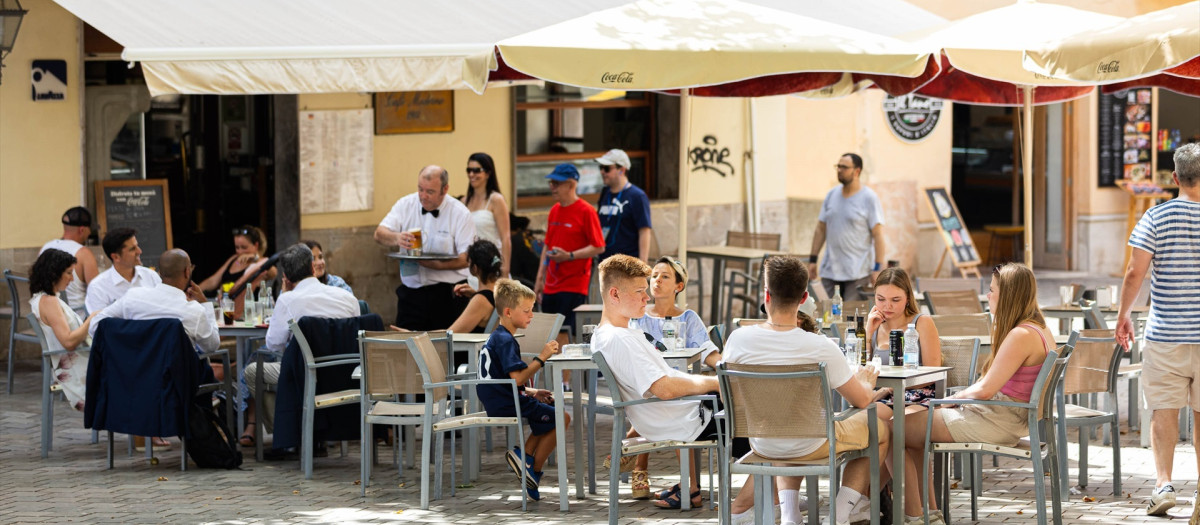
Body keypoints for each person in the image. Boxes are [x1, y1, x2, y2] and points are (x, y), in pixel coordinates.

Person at [723, 255, 890, 525]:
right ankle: (840, 514)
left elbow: (727, 396)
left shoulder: (738, 339)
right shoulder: (820, 346)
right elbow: (860, 401)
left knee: (789, 421)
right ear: (803, 299)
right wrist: (867, 384)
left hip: (763, 442)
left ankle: (791, 515)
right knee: (881, 430)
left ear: (766, 294)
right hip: (813, 443)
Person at [898, 263, 1054, 524]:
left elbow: (985, 389)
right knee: (910, 431)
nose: (988, 296)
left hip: (996, 420)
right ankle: (929, 514)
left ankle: (915, 515)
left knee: (895, 428)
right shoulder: (1039, 328)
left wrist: (945, 402)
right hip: (1005, 417)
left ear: (1009, 295)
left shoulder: (1020, 334)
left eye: (992, 291)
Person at [592, 254, 722, 510]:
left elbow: (669, 379)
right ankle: (767, 501)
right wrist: (716, 385)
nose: (647, 296)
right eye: (641, 290)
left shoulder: (610, 333)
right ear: (615, 294)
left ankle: (697, 490)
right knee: (770, 422)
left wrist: (713, 382)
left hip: (685, 412)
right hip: (690, 417)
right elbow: (664, 388)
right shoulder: (622, 339)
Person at [1117, 142, 1200, 519]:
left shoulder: (1156, 217)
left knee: (1163, 410)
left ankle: (1164, 484)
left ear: (1175, 178)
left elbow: (1136, 272)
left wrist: (1123, 314)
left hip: (1166, 332)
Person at [244, 244, 359, 448]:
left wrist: (284, 295)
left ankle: (292, 433)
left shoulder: (288, 300)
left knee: (253, 371)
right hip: (346, 374)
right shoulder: (347, 298)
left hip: (307, 375)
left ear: (286, 276)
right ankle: (315, 433)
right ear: (313, 268)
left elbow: (273, 344)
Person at [477, 279, 566, 501]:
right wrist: (542, 356)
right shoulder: (506, 340)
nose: (531, 315)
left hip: (501, 398)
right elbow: (517, 379)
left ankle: (524, 458)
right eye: (526, 310)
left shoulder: (500, 336)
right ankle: (532, 468)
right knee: (562, 418)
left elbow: (507, 380)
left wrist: (532, 392)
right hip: (506, 402)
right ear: (508, 311)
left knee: (549, 408)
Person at [374, 165, 475, 331]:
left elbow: (467, 258)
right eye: (420, 189)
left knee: (447, 350)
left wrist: (439, 266)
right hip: (411, 293)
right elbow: (379, 233)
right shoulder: (406, 204)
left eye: (430, 192)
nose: (423, 196)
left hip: (448, 294)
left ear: (445, 189)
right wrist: (397, 238)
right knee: (407, 347)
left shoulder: (460, 213)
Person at [87, 249, 219, 355]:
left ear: (160, 273)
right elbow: (211, 346)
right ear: (187, 271)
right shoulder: (194, 312)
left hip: (133, 379)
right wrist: (205, 304)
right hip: (175, 383)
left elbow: (95, 325)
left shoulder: (133, 297)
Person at [535, 163, 605, 364]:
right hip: (551, 282)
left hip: (574, 283)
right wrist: (540, 279)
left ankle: (564, 381)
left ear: (571, 184)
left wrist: (571, 255)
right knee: (549, 333)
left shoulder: (586, 211)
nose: (552, 187)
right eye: (551, 182)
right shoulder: (554, 211)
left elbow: (599, 246)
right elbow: (547, 246)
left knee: (564, 331)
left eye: (556, 183)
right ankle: (556, 378)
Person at [808, 153, 886, 301]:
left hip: (857, 273)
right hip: (830, 271)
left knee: (851, 318)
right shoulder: (831, 195)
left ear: (857, 171)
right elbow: (821, 228)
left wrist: (877, 268)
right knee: (827, 317)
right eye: (838, 166)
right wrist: (813, 259)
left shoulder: (869, 198)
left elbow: (878, 235)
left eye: (844, 167)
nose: (839, 170)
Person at [29, 249, 98, 411]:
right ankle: (147, 434)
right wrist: (91, 319)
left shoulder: (42, 298)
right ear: (53, 273)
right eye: (68, 273)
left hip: (81, 362)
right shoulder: (49, 302)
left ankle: (146, 434)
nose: (72, 278)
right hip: (81, 369)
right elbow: (68, 342)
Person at [865, 267, 942, 404]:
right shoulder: (874, 326)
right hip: (880, 398)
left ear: (907, 299)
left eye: (895, 300)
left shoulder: (922, 323)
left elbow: (933, 374)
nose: (887, 306)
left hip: (916, 396)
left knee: (867, 416)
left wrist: (888, 389)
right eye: (881, 299)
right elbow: (862, 372)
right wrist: (868, 334)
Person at [394, 240, 503, 335]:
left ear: (474, 268)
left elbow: (450, 334)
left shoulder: (481, 300)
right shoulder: (500, 293)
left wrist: (412, 334)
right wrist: (475, 294)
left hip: (470, 355)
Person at [85, 228, 162, 315]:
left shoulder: (151, 276)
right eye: (132, 249)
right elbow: (100, 323)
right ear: (116, 257)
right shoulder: (98, 287)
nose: (139, 251)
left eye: (137, 246)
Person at [40, 206, 99, 316]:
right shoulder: (83, 253)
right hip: (77, 317)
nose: (89, 233)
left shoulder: (45, 248)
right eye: (89, 229)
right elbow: (97, 291)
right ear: (82, 230)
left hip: (48, 316)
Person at [460, 152, 512, 277]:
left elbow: (505, 237)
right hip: (470, 269)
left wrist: (504, 270)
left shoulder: (496, 200)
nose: (472, 174)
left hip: (492, 267)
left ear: (488, 173)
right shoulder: (463, 201)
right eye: (469, 170)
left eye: (477, 170)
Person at [595, 149, 652, 261]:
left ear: (622, 170)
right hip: (605, 263)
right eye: (600, 168)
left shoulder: (637, 196)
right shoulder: (605, 192)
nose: (602, 172)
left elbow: (644, 231)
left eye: (606, 168)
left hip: (627, 265)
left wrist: (642, 265)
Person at [197, 225, 276, 295]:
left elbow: (273, 272)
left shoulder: (260, 261)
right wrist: (194, 290)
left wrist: (255, 258)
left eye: (244, 247)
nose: (240, 251)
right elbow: (213, 281)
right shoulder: (234, 258)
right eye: (237, 247)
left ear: (256, 245)